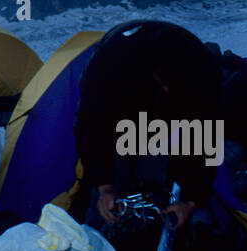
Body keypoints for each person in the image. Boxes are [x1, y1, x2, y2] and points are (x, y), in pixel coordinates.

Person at [71, 20, 223, 238]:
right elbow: (91, 128)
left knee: (156, 173)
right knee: (108, 184)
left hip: (162, 121)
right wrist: (104, 185)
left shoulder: (203, 73)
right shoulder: (112, 67)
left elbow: (204, 136)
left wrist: (190, 199)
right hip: (122, 112)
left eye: (176, 84)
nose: (169, 88)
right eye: (163, 79)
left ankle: (156, 223)